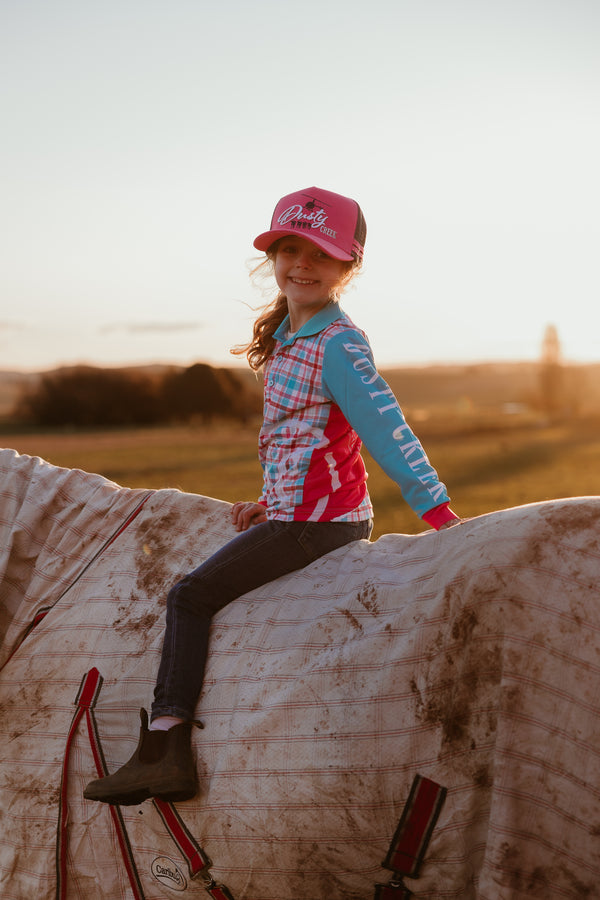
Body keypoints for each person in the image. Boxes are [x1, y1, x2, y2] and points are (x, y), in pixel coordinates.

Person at [83, 186, 460, 806]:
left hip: (323, 523)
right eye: (289, 250)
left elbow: (387, 429)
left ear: (348, 266)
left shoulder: (338, 345)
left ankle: (166, 749)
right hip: (297, 513)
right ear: (274, 258)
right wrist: (272, 502)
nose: (301, 266)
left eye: (320, 254)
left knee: (190, 594)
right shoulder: (290, 338)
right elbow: (295, 439)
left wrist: (438, 511)